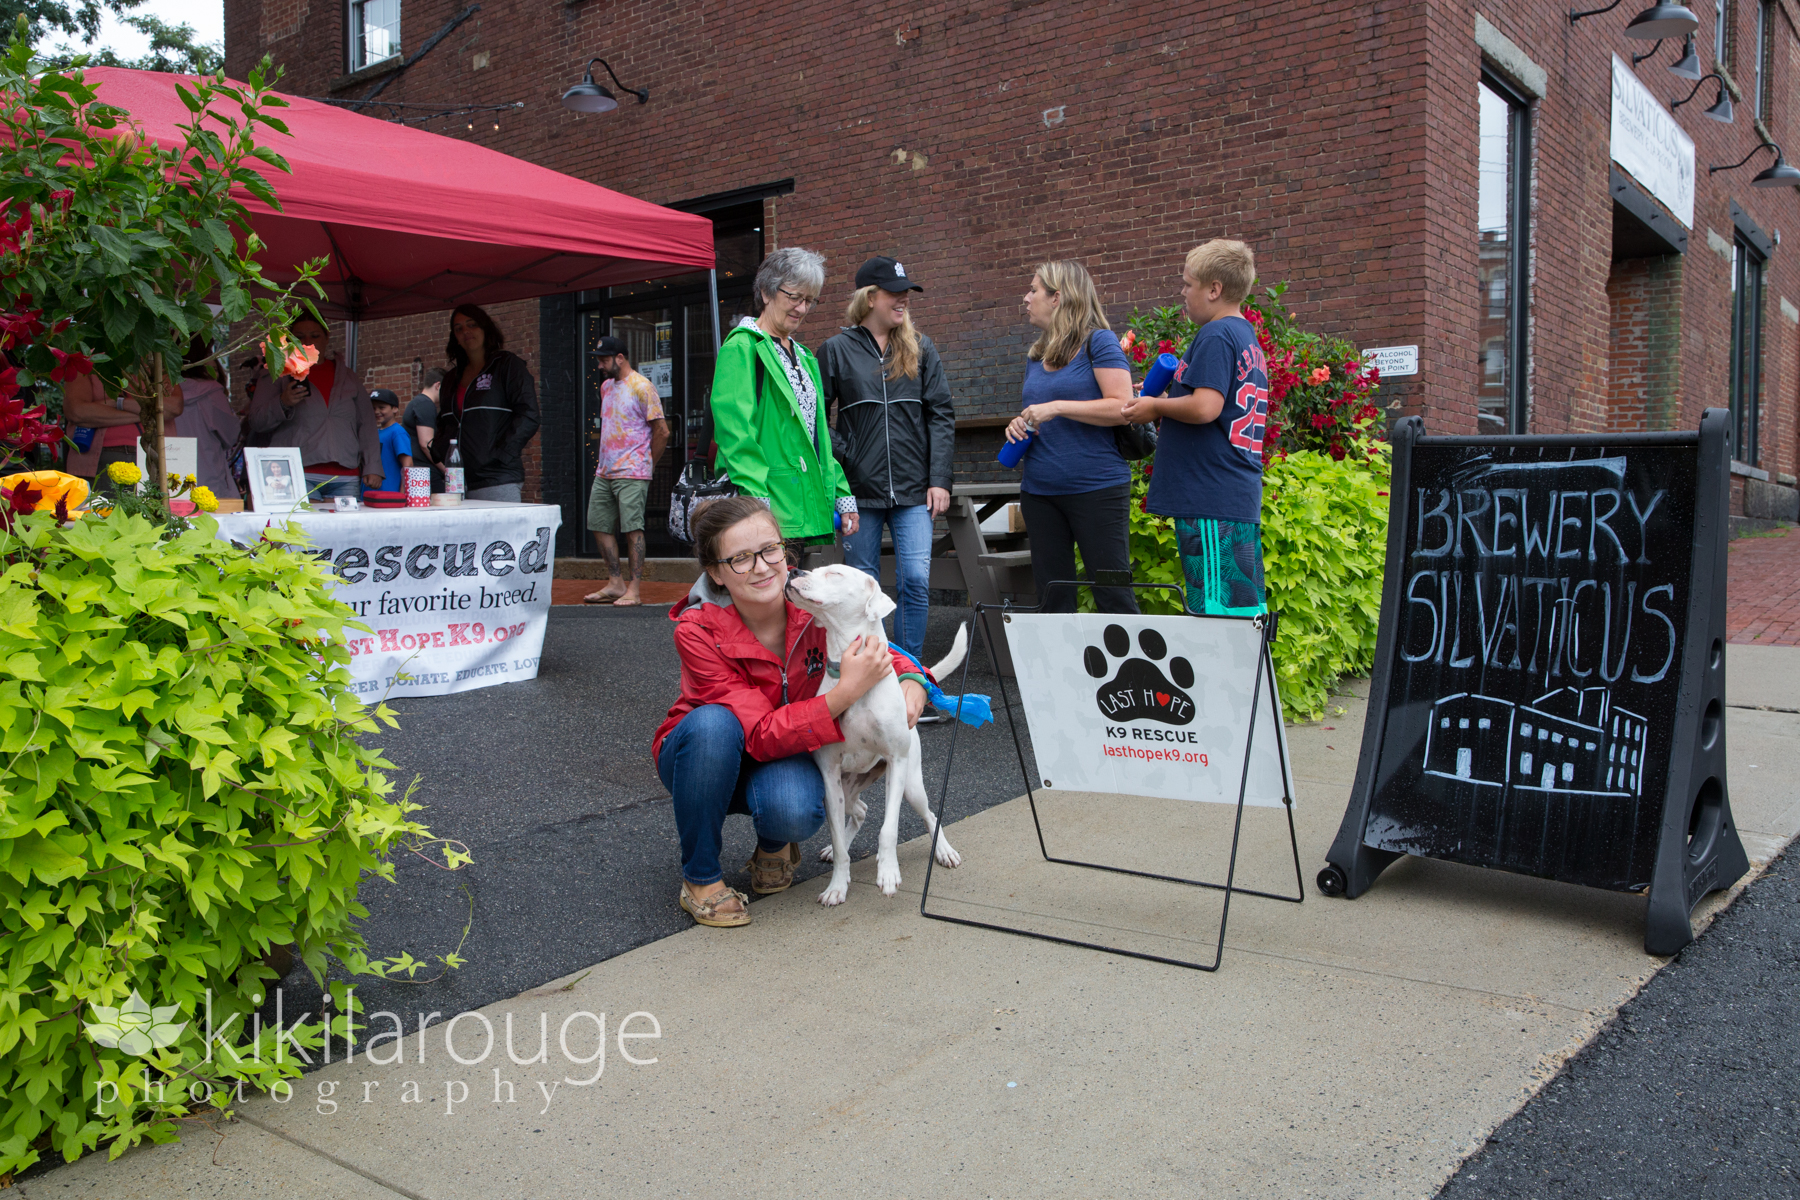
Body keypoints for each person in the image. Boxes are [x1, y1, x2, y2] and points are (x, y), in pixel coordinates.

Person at [650, 496, 931, 927]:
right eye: (740, 559)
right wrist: (842, 694)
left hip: (784, 749)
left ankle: (774, 842)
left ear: (785, 551)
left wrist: (913, 677)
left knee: (796, 807)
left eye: (770, 550)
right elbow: (759, 731)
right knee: (712, 725)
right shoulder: (698, 630)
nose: (762, 567)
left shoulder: (813, 611)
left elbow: (869, 636)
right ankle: (702, 878)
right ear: (716, 573)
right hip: (706, 758)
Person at [1121, 239, 1270, 616]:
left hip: (1210, 498)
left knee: (1218, 615)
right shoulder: (1245, 336)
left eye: (1188, 284)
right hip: (1231, 496)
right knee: (1241, 613)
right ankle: (1247, 677)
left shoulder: (1216, 335)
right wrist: (1165, 399)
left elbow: (1206, 407)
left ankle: (1226, 678)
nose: (1183, 292)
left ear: (1214, 289)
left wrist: (1155, 405)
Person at [821, 256, 954, 660]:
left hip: (916, 490)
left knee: (915, 580)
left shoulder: (921, 347)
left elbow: (941, 414)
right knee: (864, 588)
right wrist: (848, 456)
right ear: (870, 297)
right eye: (895, 293)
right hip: (859, 491)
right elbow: (814, 419)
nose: (903, 300)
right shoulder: (835, 350)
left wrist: (940, 478)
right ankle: (870, 675)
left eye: (906, 294)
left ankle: (908, 671)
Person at [1003, 260, 1140, 614]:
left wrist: (1058, 406)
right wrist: (1019, 423)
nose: (1026, 297)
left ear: (1058, 297)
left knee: (1113, 596)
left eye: (1034, 290)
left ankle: (1132, 672)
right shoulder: (1037, 355)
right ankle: (1059, 672)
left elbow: (1124, 406)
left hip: (1096, 489)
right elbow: (1040, 413)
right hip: (1040, 493)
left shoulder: (1100, 342)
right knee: (1053, 599)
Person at [710, 246, 858, 542]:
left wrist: (842, 494)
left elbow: (818, 439)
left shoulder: (803, 355)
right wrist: (756, 504)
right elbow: (735, 433)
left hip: (799, 503)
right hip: (764, 507)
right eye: (794, 297)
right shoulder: (741, 347)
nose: (802, 308)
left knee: (790, 586)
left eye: (809, 300)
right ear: (766, 292)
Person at [247, 316, 382, 502]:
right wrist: (282, 402)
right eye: (299, 337)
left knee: (344, 531)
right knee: (303, 531)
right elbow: (256, 421)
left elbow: (366, 424)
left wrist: (372, 466)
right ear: (289, 340)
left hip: (346, 473)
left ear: (327, 337)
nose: (307, 342)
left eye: (315, 335)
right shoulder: (276, 372)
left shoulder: (348, 376)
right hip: (295, 471)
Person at [584, 336, 669, 606]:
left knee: (633, 529)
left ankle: (634, 589)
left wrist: (648, 463)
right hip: (605, 471)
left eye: (604, 359)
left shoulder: (643, 387)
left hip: (632, 471)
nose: (600, 365)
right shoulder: (607, 387)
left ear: (620, 357)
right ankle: (615, 583)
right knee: (598, 524)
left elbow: (662, 431)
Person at [441, 305, 539, 502]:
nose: (465, 332)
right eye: (458, 328)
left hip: (496, 478)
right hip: (457, 479)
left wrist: (501, 455)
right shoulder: (451, 378)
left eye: (472, 325)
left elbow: (529, 414)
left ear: (485, 329)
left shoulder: (507, 365)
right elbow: (445, 421)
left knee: (501, 533)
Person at [61, 371, 185, 493]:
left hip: (158, 457)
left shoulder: (155, 363)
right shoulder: (86, 364)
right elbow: (77, 412)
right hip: (103, 459)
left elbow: (174, 406)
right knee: (105, 512)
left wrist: (116, 403)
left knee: (157, 511)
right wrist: (151, 412)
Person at [171, 335, 244, 502]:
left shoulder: (160, 391)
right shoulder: (211, 393)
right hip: (209, 479)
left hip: (171, 478)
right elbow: (231, 435)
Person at [404, 366, 444, 491]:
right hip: (425, 472)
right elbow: (426, 443)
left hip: (419, 471)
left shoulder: (417, 402)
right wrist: (446, 470)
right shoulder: (425, 404)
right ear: (438, 385)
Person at [368, 389, 413, 493]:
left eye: (381, 407)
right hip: (370, 494)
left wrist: (402, 495)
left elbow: (408, 464)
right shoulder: (375, 432)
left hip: (389, 495)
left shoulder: (397, 432)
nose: (376, 411)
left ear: (395, 408)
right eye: (373, 408)